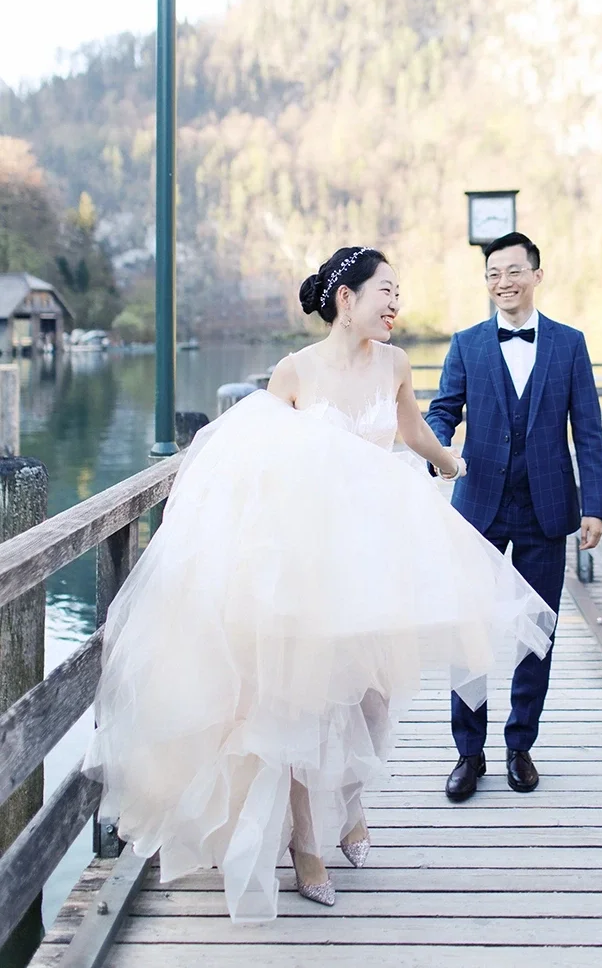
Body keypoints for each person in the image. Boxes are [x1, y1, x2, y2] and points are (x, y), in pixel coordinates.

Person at [83, 246, 555, 922]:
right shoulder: (295, 371)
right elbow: (251, 457)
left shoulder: (394, 364)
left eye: (398, 292)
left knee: (374, 696)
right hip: (307, 557)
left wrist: (450, 462)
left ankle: (352, 808)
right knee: (304, 702)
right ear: (346, 299)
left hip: (377, 551)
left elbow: (410, 428)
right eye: (386, 291)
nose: (396, 304)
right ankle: (306, 846)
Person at [426, 232, 602, 801]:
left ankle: (520, 745)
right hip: (477, 505)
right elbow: (442, 410)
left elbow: (589, 430)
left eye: (512, 271)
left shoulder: (569, 344)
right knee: (468, 632)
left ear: (536, 275)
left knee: (537, 634)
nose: (502, 282)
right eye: (492, 274)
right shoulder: (467, 344)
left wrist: (595, 506)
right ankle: (469, 753)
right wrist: (437, 450)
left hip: (546, 509)